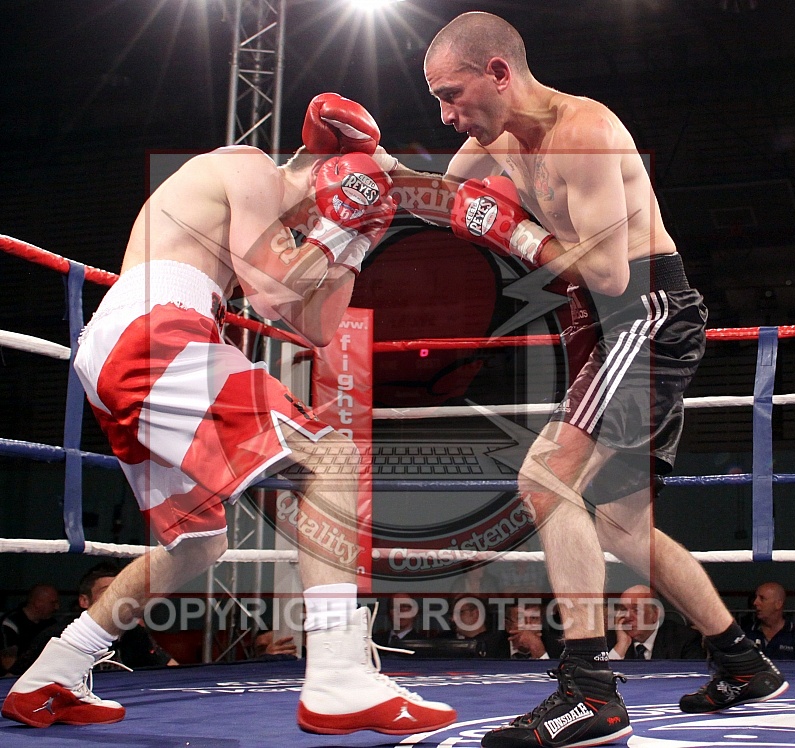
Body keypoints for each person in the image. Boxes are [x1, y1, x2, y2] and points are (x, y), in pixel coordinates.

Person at [369, 11, 787, 747]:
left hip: (640, 314)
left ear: (499, 73)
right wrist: (366, 170)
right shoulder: (491, 137)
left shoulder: (584, 131)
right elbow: (442, 197)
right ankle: (741, 660)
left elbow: (610, 273)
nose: (446, 114)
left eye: (451, 94)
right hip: (593, 325)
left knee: (545, 480)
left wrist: (510, 228)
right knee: (622, 526)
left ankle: (590, 692)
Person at [1, 94, 456, 735]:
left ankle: (54, 670)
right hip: (154, 330)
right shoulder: (248, 167)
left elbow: (317, 326)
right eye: (347, 195)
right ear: (328, 175)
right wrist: (338, 223)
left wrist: (355, 238)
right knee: (329, 457)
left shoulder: (287, 226)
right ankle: (338, 677)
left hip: (138, 343)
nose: (318, 221)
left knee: (197, 543)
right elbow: (272, 289)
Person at [12, 564, 178, 674]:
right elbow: (14, 677)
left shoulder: (134, 633)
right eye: (106, 592)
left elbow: (171, 667)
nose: (116, 598)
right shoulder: (57, 636)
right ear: (84, 601)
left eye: (120, 592)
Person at [608, 585, 704, 660]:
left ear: (655, 614)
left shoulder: (684, 639)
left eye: (636, 610)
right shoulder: (612, 639)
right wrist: (622, 645)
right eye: (623, 609)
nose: (627, 616)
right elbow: (603, 676)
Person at [0, 584, 59, 676]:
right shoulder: (10, 623)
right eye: (53, 603)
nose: (57, 607)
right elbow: (8, 664)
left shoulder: (51, 624)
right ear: (38, 603)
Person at [745, 582, 795, 659]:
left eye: (762, 598)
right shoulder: (746, 634)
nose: (755, 603)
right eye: (755, 598)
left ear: (778, 604)